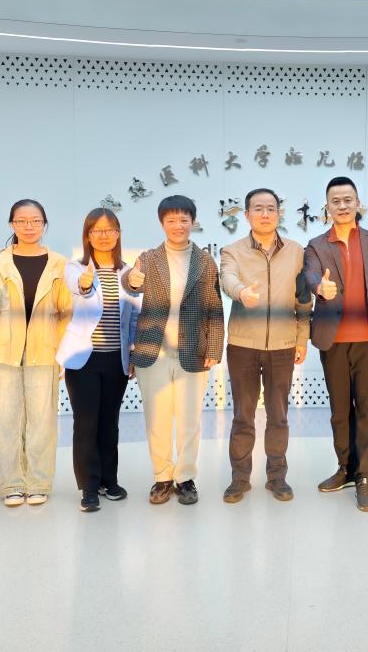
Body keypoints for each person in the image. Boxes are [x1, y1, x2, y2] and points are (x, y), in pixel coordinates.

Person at [123, 195, 224, 506]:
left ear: (192, 222)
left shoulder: (205, 261)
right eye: (171, 220)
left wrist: (215, 346)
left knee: (189, 420)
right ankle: (162, 476)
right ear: (162, 223)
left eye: (184, 220)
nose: (178, 225)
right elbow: (132, 283)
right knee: (157, 418)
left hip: (193, 350)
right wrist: (131, 279)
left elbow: (215, 306)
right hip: (153, 350)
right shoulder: (148, 258)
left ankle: (186, 477)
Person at [304, 176, 368, 513]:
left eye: (348, 200)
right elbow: (310, 274)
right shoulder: (316, 245)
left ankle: (365, 476)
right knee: (340, 411)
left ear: (358, 203)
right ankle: (345, 468)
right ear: (327, 207)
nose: (342, 206)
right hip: (333, 340)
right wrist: (320, 288)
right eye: (336, 201)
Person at [0, 199, 72, 507]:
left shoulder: (59, 263)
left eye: (35, 221)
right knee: (7, 420)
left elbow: (66, 310)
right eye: (22, 221)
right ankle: (12, 484)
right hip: (5, 351)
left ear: (44, 224)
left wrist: (63, 350)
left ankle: (39, 482)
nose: (29, 226)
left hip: (46, 350)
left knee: (42, 420)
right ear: (12, 224)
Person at [219, 188, 312, 504]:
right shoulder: (232, 251)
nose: (265, 214)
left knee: (278, 415)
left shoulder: (296, 252)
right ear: (247, 214)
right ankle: (239, 479)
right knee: (243, 416)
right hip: (243, 345)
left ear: (279, 213)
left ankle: (277, 477)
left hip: (282, 345)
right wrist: (241, 292)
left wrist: (301, 339)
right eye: (258, 208)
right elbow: (227, 279)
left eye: (271, 208)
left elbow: (303, 300)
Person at [57, 208, 141, 513]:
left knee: (109, 423)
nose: (104, 235)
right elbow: (77, 287)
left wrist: (133, 354)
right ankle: (89, 487)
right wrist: (85, 283)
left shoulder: (127, 272)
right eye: (97, 230)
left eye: (110, 230)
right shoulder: (76, 267)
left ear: (118, 234)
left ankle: (109, 480)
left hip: (116, 359)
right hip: (84, 360)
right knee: (86, 423)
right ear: (88, 235)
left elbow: (134, 315)